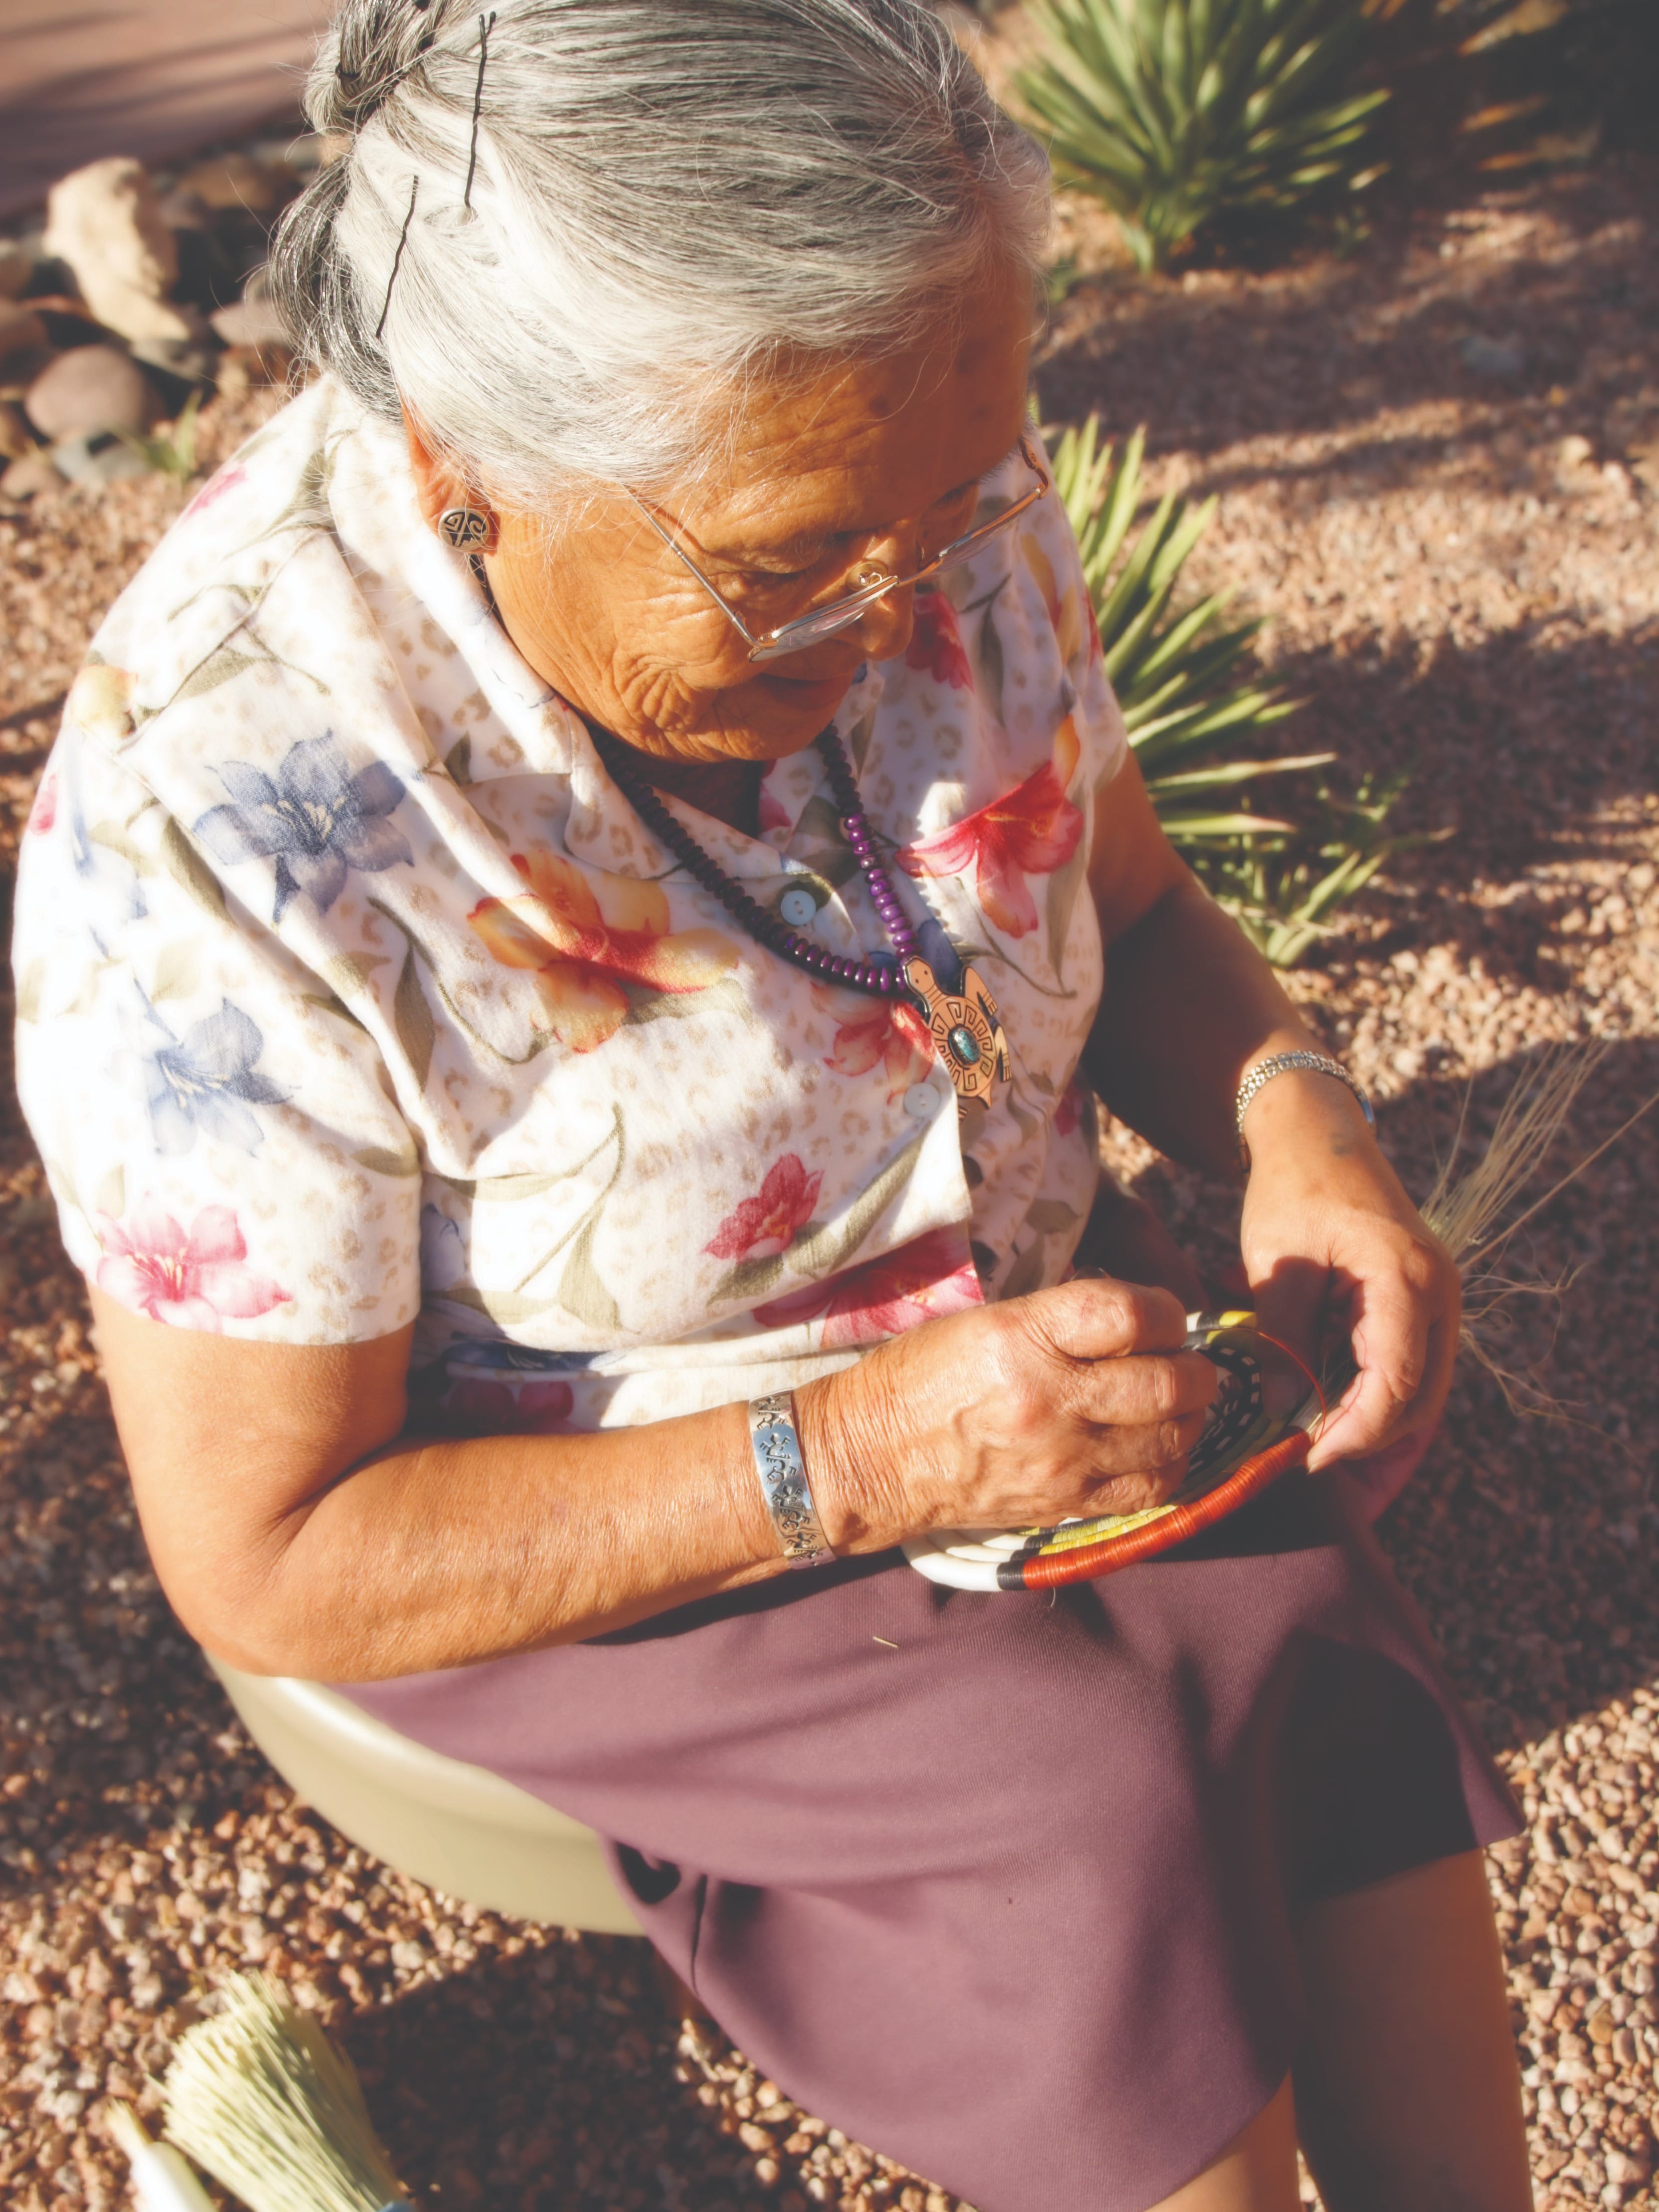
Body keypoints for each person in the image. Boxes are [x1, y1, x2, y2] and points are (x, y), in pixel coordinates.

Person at [13, 3, 1530, 2206]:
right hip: (562, 1487)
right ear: (468, 467)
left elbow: (1121, 887)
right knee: (1075, 1797)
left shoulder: (917, 473)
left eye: (962, 497)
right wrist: (865, 1451)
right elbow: (273, 1554)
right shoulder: (233, 814)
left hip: (997, 1343)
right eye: (797, 554)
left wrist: (1303, 1119)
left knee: (1294, 1615)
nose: (912, 600)